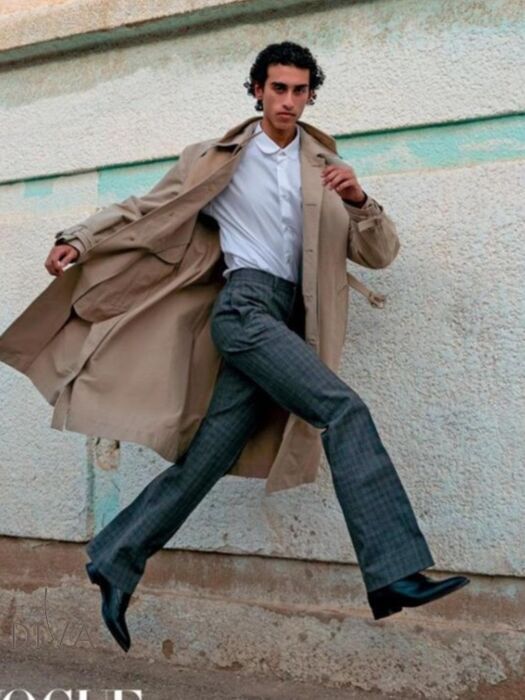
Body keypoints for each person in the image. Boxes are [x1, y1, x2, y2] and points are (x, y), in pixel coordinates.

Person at [40, 42, 470, 651]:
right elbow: (144, 209)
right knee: (342, 409)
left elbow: (379, 254)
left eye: (300, 90)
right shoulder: (219, 160)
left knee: (206, 460)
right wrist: (79, 239)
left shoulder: (324, 166)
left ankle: (114, 557)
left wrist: (358, 201)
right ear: (258, 91)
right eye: (278, 88)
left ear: (311, 95)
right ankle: (395, 573)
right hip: (243, 310)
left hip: (286, 319)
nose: (288, 101)